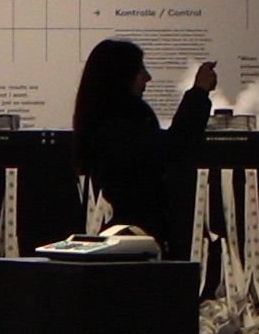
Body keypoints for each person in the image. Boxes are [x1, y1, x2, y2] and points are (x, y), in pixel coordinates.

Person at [71, 36, 215, 258]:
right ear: (121, 77)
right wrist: (198, 92)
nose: (148, 77)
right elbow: (173, 145)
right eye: (139, 70)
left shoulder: (107, 126)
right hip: (138, 241)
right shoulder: (116, 130)